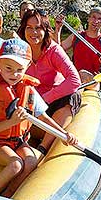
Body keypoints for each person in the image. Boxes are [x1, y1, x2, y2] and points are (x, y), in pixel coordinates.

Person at [0, 38, 78, 197]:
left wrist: (64, 134)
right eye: (8, 68)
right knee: (15, 164)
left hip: (18, 141)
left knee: (31, 162)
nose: (14, 74)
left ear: (27, 67)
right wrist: (11, 122)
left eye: (19, 69)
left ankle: (9, 194)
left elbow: (44, 118)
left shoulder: (28, 91)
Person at [17, 9, 82, 157]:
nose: (33, 32)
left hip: (52, 103)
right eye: (29, 27)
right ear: (23, 29)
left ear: (45, 30)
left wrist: (45, 98)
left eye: (38, 28)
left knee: (73, 96)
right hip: (29, 102)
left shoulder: (54, 50)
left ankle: (42, 148)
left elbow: (74, 79)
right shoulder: (19, 49)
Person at [55, 7, 101, 90]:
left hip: (93, 81)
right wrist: (58, 29)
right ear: (88, 19)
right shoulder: (77, 36)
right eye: (93, 17)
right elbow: (57, 51)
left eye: (100, 19)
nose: (95, 21)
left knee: (82, 74)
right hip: (74, 76)